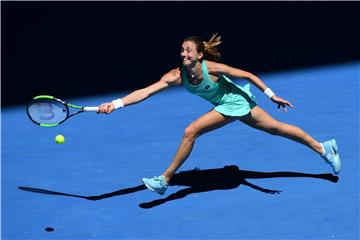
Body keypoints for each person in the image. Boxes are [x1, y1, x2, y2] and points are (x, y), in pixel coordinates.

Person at [97, 33, 341, 195]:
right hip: (235, 104)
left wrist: (271, 94)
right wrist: (116, 103)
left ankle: (165, 179)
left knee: (190, 131)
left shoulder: (212, 68)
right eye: (182, 51)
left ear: (200, 55)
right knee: (278, 128)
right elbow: (146, 92)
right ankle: (323, 148)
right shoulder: (175, 76)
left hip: (235, 103)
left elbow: (246, 74)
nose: (184, 54)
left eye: (188, 51)